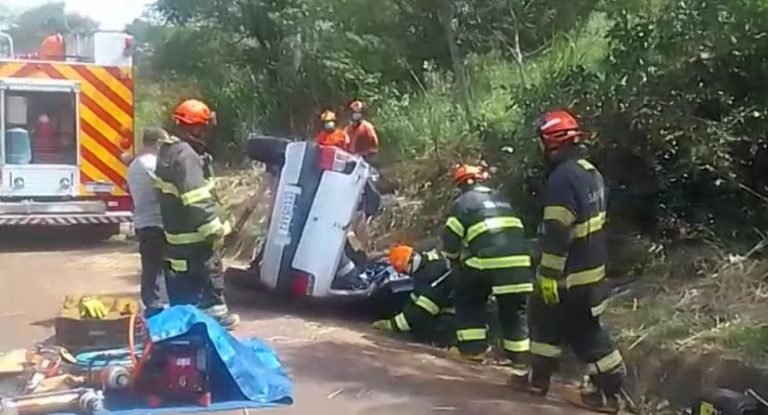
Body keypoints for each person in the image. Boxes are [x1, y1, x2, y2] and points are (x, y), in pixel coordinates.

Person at [510, 110, 625, 414]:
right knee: (546, 320)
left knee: (584, 332)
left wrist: (548, 272)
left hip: (569, 276)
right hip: (592, 271)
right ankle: (538, 379)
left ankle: (608, 392)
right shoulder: (590, 172)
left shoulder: (561, 180)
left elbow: (558, 230)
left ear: (549, 143)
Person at [154, 99, 240, 329]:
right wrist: (217, 230)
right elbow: (196, 200)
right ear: (195, 127)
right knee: (210, 313)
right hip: (196, 248)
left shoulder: (168, 151)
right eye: (203, 127)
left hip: (177, 245)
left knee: (184, 311)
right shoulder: (186, 157)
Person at [442, 164, 533, 373]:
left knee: (468, 296)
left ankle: (472, 350)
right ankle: (520, 359)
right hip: (520, 264)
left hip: (487, 263)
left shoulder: (463, 202)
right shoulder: (502, 199)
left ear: (461, 185)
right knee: (514, 310)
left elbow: (451, 238)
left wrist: (454, 262)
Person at [372, 245, 455, 345]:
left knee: (427, 329)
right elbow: (416, 299)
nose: (407, 274)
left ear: (408, 263)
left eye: (404, 271)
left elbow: (424, 308)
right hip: (453, 300)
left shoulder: (429, 273)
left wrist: (394, 324)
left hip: (457, 310)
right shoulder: (426, 262)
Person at [126, 128, 168, 317]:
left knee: (151, 266)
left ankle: (153, 304)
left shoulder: (135, 164)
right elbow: (166, 189)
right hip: (155, 222)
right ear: (158, 143)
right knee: (155, 267)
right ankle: (155, 307)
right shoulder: (152, 164)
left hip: (144, 221)